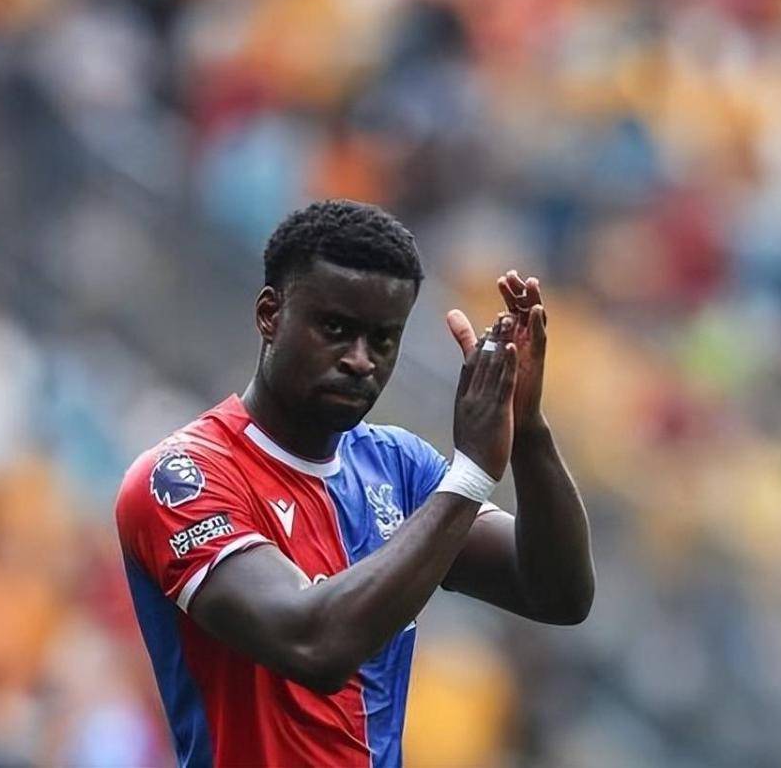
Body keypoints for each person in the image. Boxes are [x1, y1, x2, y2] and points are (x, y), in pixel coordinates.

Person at [114, 199, 595, 768]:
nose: (360, 360)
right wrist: (470, 475)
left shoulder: (399, 466)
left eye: (383, 339)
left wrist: (528, 427)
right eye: (336, 330)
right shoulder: (182, 480)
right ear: (270, 315)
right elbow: (314, 645)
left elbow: (558, 594)